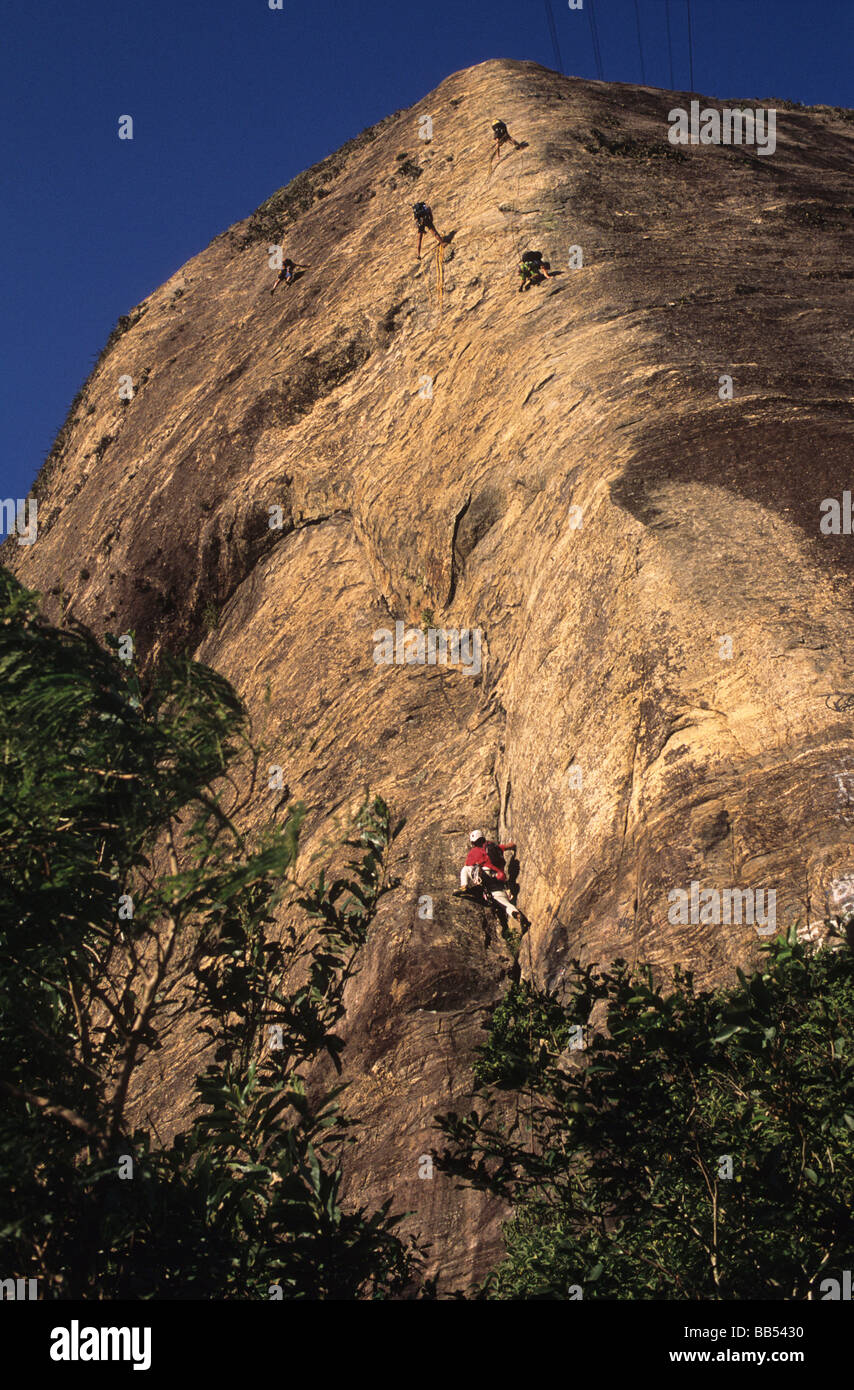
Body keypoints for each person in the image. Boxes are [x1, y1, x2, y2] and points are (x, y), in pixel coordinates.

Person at [458, 830, 525, 925]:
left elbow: (467, 865)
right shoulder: (492, 846)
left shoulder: (475, 851)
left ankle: (464, 886)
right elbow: (506, 846)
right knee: (505, 904)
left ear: (473, 841)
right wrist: (513, 846)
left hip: (485, 875)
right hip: (499, 880)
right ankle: (515, 913)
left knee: (465, 869)